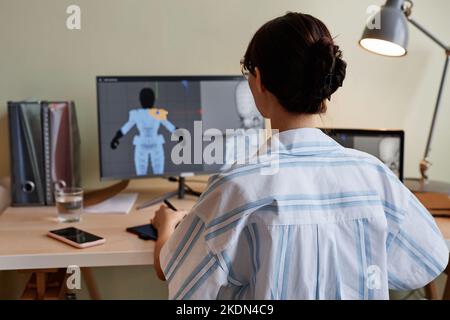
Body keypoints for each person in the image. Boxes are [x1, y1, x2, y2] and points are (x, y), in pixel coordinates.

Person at [151, 12, 448, 300]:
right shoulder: (374, 174)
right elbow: (429, 259)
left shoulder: (235, 186)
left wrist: (166, 225)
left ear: (259, 80)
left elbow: (174, 272)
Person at [110, 88, 176, 176]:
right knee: (157, 174)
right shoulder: (157, 113)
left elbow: (125, 128)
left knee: (143, 175)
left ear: (140, 100)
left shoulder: (136, 114)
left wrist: (116, 138)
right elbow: (170, 126)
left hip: (143, 144)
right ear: (153, 100)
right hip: (154, 144)